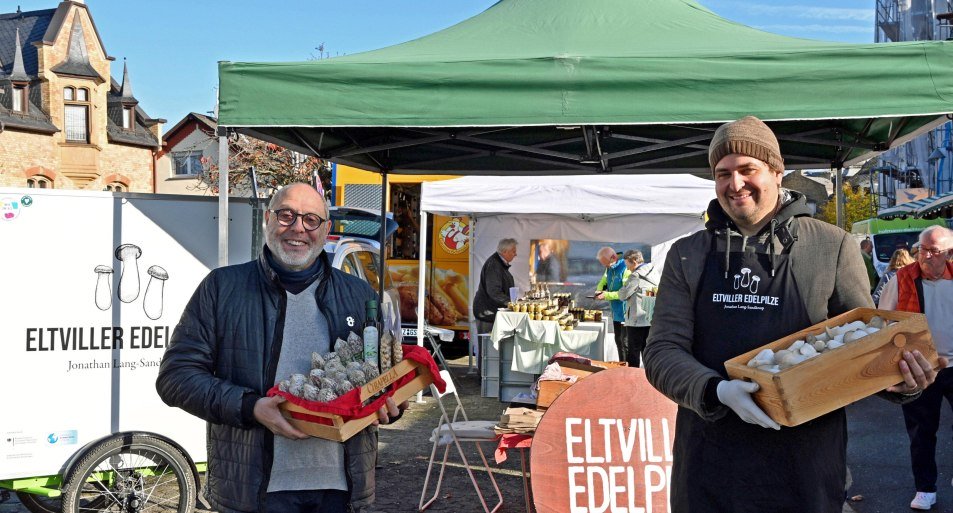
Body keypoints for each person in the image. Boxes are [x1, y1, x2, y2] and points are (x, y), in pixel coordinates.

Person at [642, 115, 942, 513]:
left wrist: (904, 384)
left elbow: (865, 346)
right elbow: (662, 352)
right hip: (710, 461)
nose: (735, 184)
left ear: (777, 173)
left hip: (805, 462)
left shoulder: (830, 247)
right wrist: (717, 390)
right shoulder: (687, 254)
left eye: (748, 169)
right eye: (722, 173)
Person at [156, 183, 404, 513]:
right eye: (286, 215)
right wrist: (250, 407)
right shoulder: (222, 288)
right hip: (255, 490)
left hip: (341, 489)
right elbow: (176, 377)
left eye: (311, 219)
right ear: (268, 220)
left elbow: (380, 373)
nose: (298, 227)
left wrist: (390, 403)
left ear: (326, 229)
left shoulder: (358, 294)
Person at [877, 225, 953, 511]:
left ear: (949, 253)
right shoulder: (902, 279)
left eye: (933, 251)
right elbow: (884, 322)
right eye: (921, 249)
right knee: (922, 432)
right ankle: (925, 488)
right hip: (921, 367)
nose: (925, 256)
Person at [616, 249, 655, 367]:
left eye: (627, 264)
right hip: (650, 318)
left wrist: (623, 288)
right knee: (647, 351)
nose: (627, 268)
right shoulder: (654, 272)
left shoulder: (635, 276)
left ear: (633, 261)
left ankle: (632, 379)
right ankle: (650, 378)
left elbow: (622, 295)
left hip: (636, 320)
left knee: (633, 352)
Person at [473, 238, 517, 334]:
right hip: (487, 313)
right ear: (505, 251)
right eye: (514, 251)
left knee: (492, 346)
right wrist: (511, 303)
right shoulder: (494, 265)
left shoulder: (499, 264)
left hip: (490, 312)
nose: (515, 254)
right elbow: (494, 292)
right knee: (488, 346)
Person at [594, 246, 631, 361]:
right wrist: (599, 290)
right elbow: (603, 280)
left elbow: (625, 293)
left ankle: (628, 369)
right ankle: (622, 366)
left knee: (625, 342)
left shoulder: (625, 268)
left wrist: (607, 295)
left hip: (626, 311)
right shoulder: (609, 267)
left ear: (613, 257)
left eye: (606, 264)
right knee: (618, 340)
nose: (606, 267)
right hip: (616, 312)